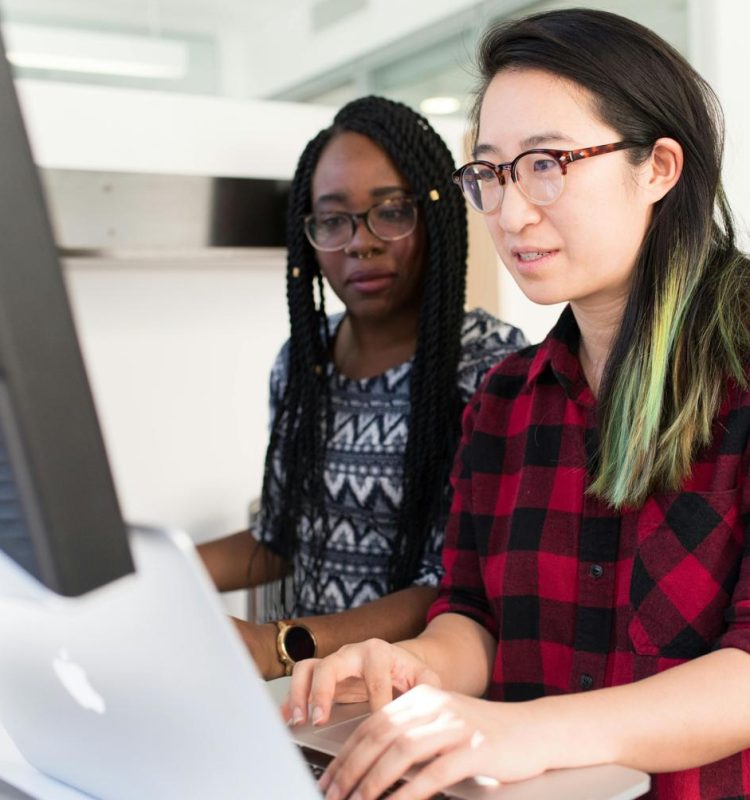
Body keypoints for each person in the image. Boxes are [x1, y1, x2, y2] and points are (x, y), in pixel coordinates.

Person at [285, 9, 750, 800]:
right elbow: (476, 619)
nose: (510, 211)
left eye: (547, 163)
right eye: (492, 173)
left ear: (659, 168)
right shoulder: (506, 398)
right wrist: (418, 666)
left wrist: (525, 730)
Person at [198, 96, 526, 680]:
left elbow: (454, 586)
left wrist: (278, 646)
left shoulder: (489, 368)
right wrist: (149, 574)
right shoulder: (303, 362)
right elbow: (279, 537)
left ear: (435, 216)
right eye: (333, 219)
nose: (360, 242)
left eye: (391, 211)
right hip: (312, 697)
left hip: (422, 696)